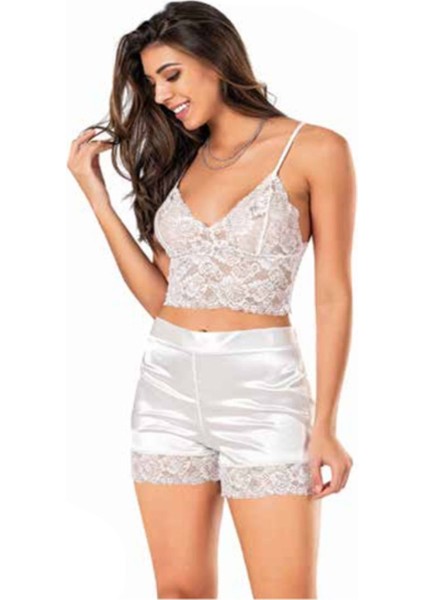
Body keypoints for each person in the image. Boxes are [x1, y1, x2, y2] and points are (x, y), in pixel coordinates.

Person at [67, 1, 355, 598]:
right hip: (166, 386)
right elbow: (163, 299)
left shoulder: (315, 149)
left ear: (216, 59)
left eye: (171, 74)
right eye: (152, 83)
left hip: (264, 394)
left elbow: (332, 294)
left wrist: (325, 423)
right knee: (178, 592)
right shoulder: (176, 163)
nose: (161, 94)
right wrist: (97, 198)